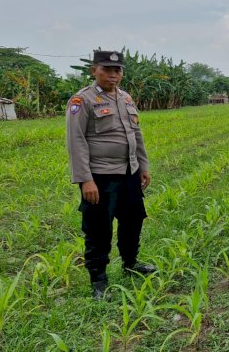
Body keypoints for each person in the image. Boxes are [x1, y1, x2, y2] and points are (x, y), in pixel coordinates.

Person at [66, 49, 156, 300]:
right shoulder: (81, 100)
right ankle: (98, 279)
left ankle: (131, 263)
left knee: (133, 220)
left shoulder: (126, 98)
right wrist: (85, 179)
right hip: (100, 176)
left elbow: (136, 134)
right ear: (94, 70)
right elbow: (76, 141)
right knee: (98, 228)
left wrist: (143, 165)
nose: (113, 75)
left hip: (129, 172)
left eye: (117, 70)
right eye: (107, 69)